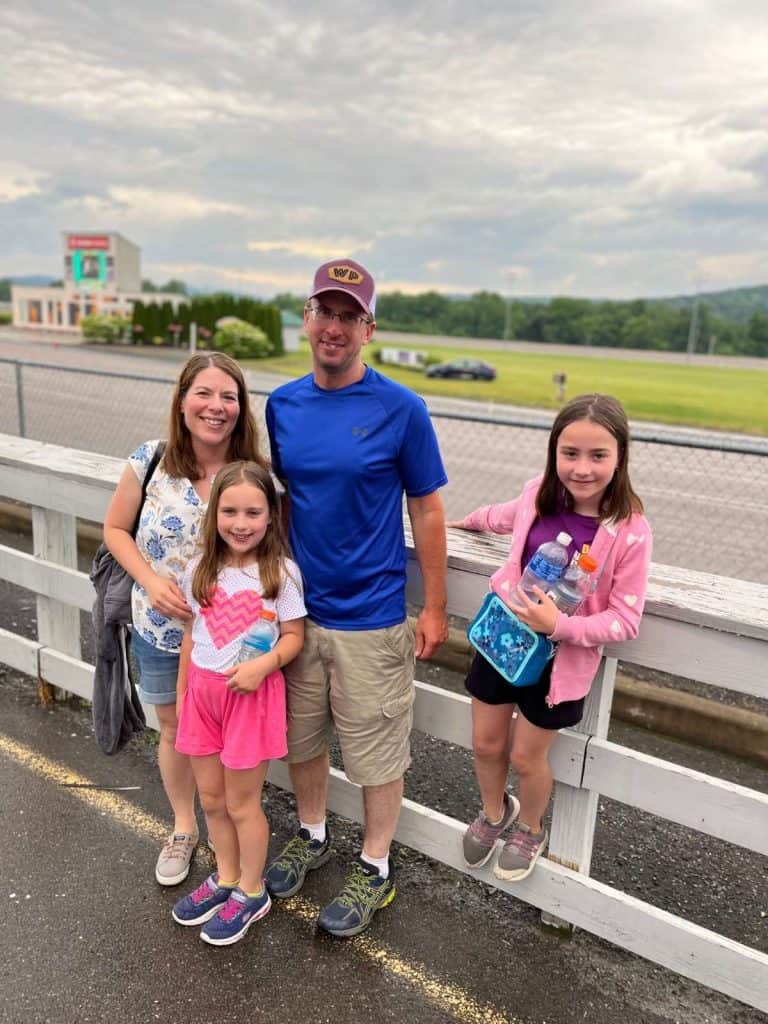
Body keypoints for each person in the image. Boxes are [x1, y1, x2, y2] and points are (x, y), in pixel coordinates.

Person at [264, 257, 448, 937]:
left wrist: (433, 607)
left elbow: (427, 509)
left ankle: (374, 866)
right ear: (307, 319)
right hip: (299, 615)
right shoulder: (282, 404)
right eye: (324, 312)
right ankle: (312, 836)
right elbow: (282, 500)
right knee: (303, 741)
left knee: (375, 754)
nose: (334, 327)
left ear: (368, 328)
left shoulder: (401, 408)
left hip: (372, 617)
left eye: (349, 315)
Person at [448, 393, 652, 881]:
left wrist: (560, 626)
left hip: (559, 666)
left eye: (598, 455)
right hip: (501, 643)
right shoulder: (539, 493)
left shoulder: (629, 532)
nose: (582, 468)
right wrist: (466, 522)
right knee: (485, 743)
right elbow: (504, 515)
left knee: (525, 755)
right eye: (570, 453)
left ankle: (532, 828)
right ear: (554, 452)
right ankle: (496, 813)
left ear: (620, 456)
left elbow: (626, 621)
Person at [103, 353, 268, 886]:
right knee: (174, 730)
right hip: (160, 630)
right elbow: (115, 531)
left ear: (241, 409)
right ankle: (182, 826)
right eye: (204, 393)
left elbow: (274, 557)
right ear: (181, 399)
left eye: (229, 397)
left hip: (232, 643)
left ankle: (233, 831)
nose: (216, 407)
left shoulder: (254, 477)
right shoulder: (150, 461)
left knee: (230, 742)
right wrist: (151, 583)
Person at [170, 461, 305, 945]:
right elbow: (192, 635)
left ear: (271, 516)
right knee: (210, 799)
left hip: (249, 699)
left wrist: (263, 665)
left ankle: (252, 891)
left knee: (242, 803)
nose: (241, 523)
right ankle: (226, 877)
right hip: (203, 697)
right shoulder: (199, 569)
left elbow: (292, 638)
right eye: (229, 511)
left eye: (253, 511)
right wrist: (185, 694)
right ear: (215, 515)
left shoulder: (280, 574)